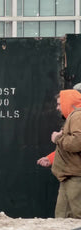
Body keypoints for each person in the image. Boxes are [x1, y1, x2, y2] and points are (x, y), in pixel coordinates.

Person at [50, 89, 81, 218]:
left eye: (59, 104)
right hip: (68, 176)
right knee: (62, 219)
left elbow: (77, 143)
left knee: (77, 217)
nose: (57, 108)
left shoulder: (77, 116)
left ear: (68, 102)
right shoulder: (74, 116)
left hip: (75, 177)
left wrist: (58, 138)